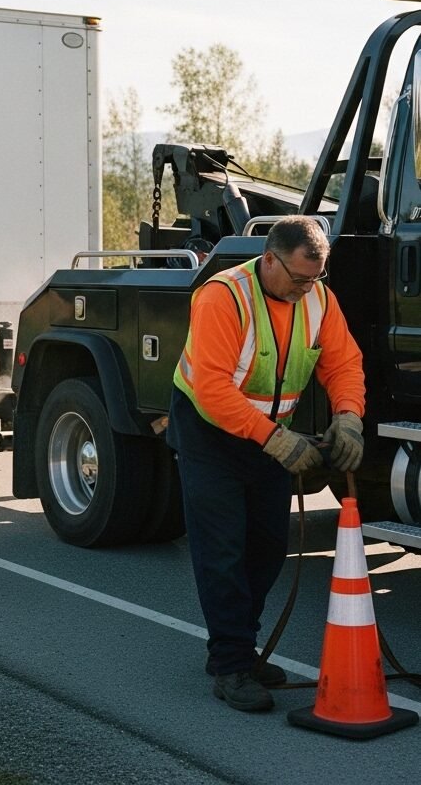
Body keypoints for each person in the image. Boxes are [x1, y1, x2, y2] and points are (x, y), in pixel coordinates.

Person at [167, 215, 365, 713]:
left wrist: (348, 418)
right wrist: (275, 440)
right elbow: (212, 390)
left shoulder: (318, 297)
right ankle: (232, 664)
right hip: (210, 432)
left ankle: (240, 649)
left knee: (268, 546)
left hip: (268, 434)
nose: (306, 289)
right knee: (224, 549)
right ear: (270, 260)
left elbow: (342, 362)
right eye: (299, 278)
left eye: (315, 278)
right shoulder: (223, 296)